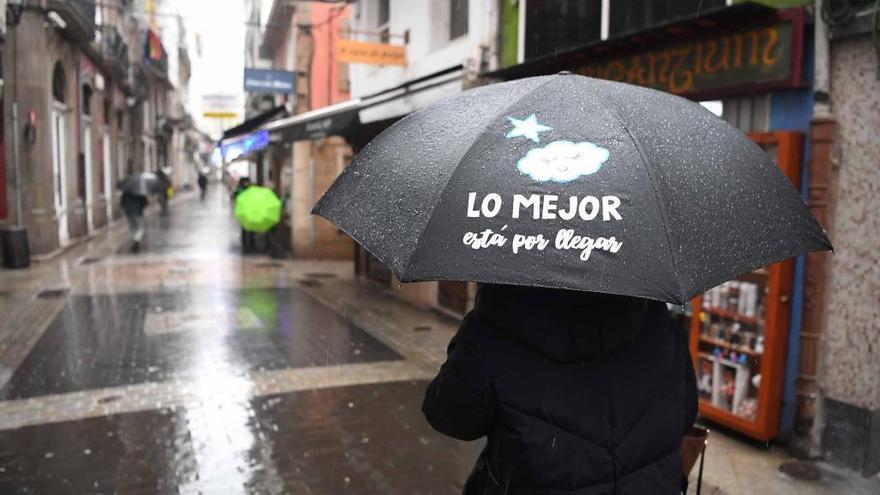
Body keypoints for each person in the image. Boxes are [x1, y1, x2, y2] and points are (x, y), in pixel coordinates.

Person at [422, 284, 698, 495]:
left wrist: (469, 340)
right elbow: (685, 413)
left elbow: (450, 415)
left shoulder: (496, 323)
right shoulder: (654, 317)